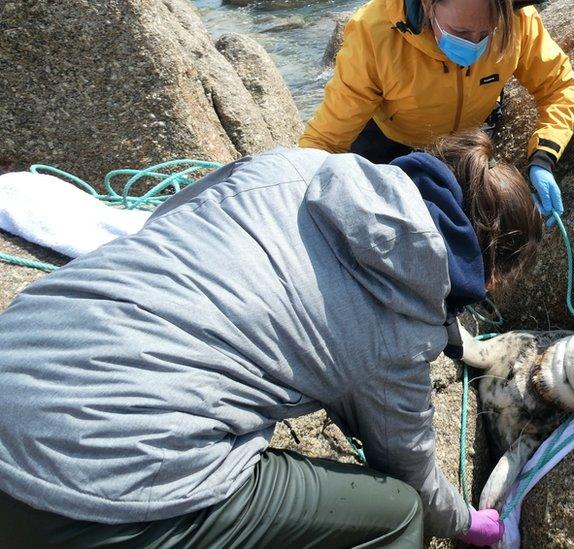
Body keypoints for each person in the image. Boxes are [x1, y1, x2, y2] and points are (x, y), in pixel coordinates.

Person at [0, 130, 542, 547]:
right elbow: (411, 470)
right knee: (397, 514)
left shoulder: (295, 164)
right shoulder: (401, 333)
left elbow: (167, 223)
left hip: (17, 351)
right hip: (87, 492)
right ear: (490, 268)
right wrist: (470, 522)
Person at [299, 0, 574, 226]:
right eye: (461, 33)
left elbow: (559, 85)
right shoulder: (374, 34)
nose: (475, 45)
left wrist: (543, 158)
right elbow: (325, 140)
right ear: (427, 5)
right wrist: (296, 193)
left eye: (487, 33)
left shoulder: (516, 19)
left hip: (468, 140)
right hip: (392, 143)